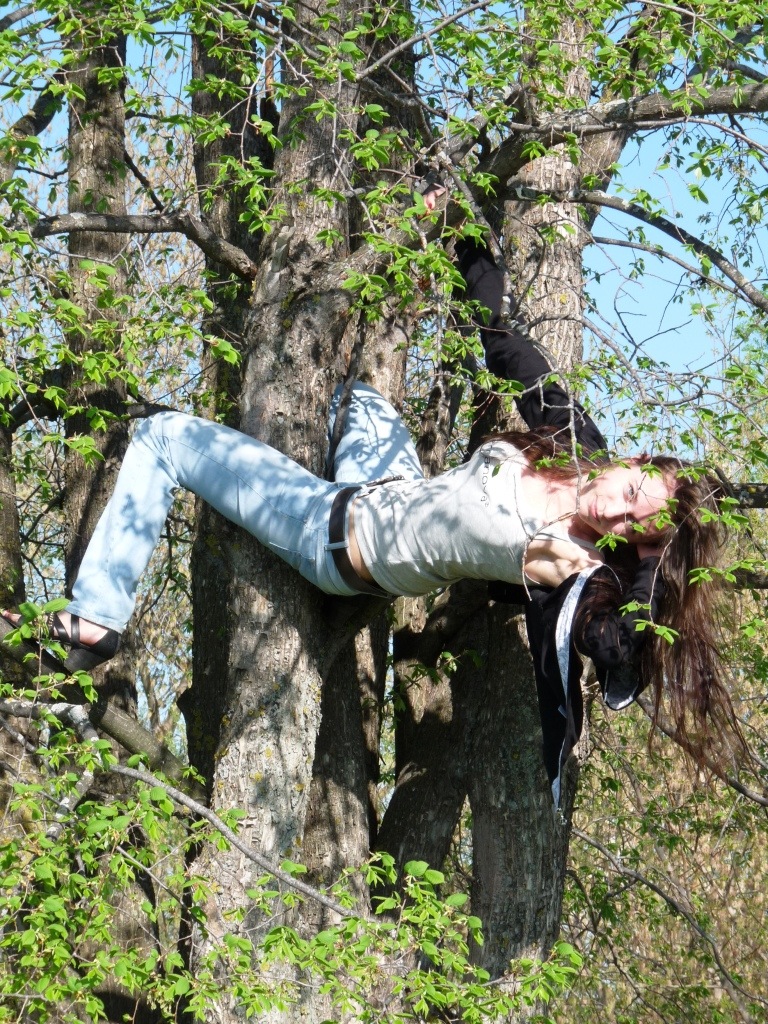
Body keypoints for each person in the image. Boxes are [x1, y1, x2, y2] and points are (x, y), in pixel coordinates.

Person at [2, 228, 737, 800]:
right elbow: (506, 344)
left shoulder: (573, 567)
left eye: (632, 526)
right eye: (632, 491)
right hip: (389, 484)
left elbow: (621, 651)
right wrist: (462, 237)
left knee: (162, 436)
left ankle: (95, 618)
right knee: (353, 393)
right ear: (636, 461)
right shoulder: (576, 446)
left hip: (330, 531)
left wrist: (649, 567)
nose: (614, 508)